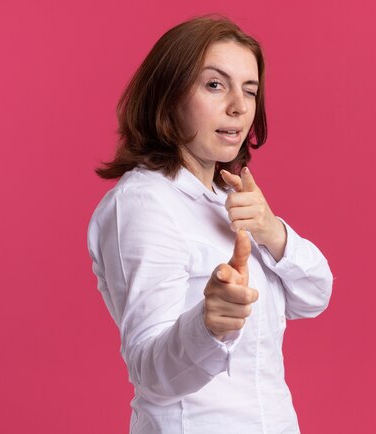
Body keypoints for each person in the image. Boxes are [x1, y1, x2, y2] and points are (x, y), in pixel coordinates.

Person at [87, 15, 333, 434]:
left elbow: (315, 295)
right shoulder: (144, 203)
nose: (239, 106)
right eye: (215, 84)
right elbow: (150, 369)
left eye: (250, 90)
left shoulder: (230, 199)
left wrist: (273, 231)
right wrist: (208, 324)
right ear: (168, 96)